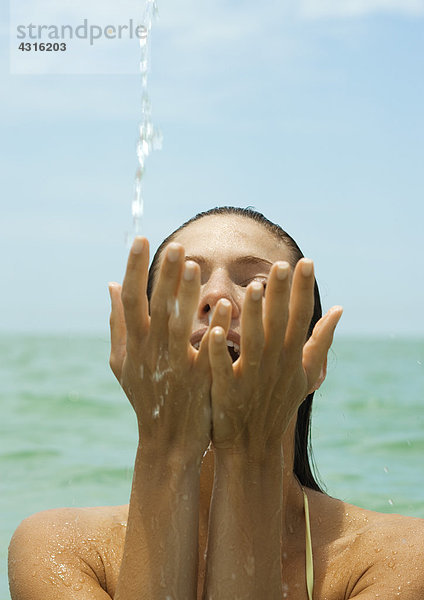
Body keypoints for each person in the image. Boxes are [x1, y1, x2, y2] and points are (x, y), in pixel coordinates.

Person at [8, 206, 424, 599]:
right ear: (139, 341)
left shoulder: (394, 557)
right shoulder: (64, 549)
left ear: (313, 361)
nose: (219, 298)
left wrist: (250, 449)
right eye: (186, 279)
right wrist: (166, 445)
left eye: (259, 286)